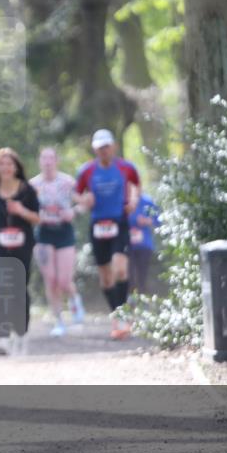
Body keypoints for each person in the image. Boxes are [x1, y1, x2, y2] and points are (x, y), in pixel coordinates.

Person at [75, 129, 139, 340]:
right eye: (99, 147)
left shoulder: (125, 167)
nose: (103, 151)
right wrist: (84, 200)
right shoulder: (86, 171)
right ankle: (117, 316)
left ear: (113, 147)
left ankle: (122, 315)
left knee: (120, 269)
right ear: (95, 149)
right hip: (97, 225)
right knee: (105, 277)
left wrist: (133, 201)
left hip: (119, 223)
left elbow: (136, 186)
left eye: (106, 146)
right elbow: (76, 192)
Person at [0, 148, 40, 356]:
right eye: (2, 163)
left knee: (20, 287)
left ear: (16, 167)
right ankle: (3, 337)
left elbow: (37, 218)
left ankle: (21, 332)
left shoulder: (27, 189)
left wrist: (21, 211)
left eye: (9, 163)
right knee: (1, 286)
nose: (6, 167)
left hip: (23, 244)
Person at [29, 147, 85, 338]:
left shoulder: (67, 182)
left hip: (64, 232)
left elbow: (85, 201)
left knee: (63, 280)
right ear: (39, 161)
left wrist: (74, 211)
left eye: (51, 158)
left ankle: (74, 298)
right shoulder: (33, 185)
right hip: (43, 233)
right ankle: (58, 320)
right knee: (50, 279)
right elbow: (26, 210)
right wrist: (37, 217)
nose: (47, 162)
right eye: (44, 158)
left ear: (56, 160)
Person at [128, 192, 160, 296]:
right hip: (126, 245)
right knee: (129, 276)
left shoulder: (147, 201)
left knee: (142, 275)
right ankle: (131, 302)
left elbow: (158, 220)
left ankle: (142, 301)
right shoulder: (123, 200)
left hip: (144, 245)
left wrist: (147, 221)